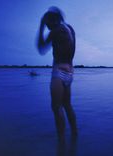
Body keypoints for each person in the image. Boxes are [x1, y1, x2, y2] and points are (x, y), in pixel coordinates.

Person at [37, 6, 77, 139]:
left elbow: (41, 48)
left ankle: (61, 143)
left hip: (58, 71)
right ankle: (74, 137)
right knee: (67, 105)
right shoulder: (70, 29)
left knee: (56, 107)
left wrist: (41, 25)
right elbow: (72, 52)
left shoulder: (55, 30)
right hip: (70, 71)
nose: (47, 25)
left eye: (47, 22)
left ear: (53, 20)